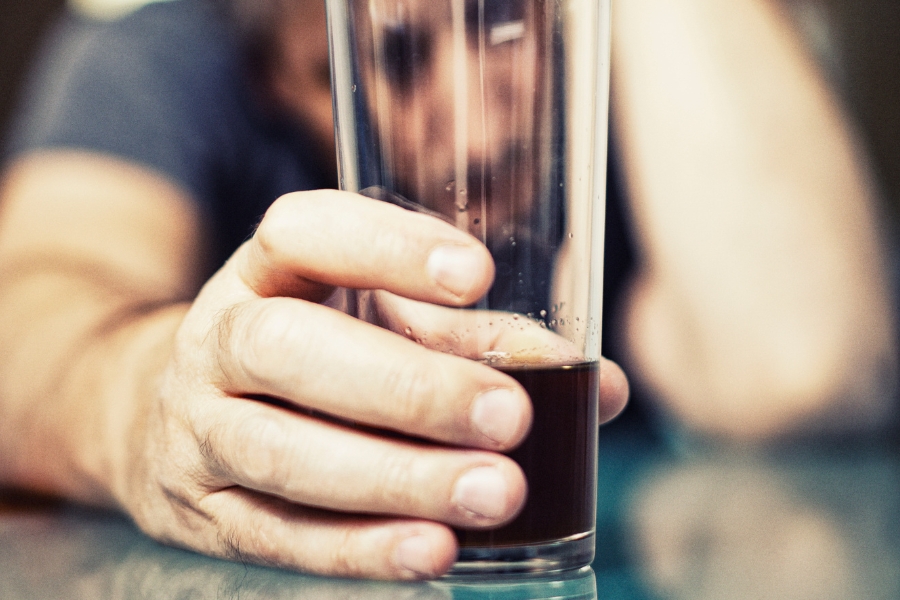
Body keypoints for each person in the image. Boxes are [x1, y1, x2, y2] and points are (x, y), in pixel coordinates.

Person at [0, 0, 892, 581]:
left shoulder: (640, 73)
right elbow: (24, 317)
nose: (476, 123)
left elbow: (805, 364)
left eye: (504, 20)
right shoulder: (177, 45)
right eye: (397, 55)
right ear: (284, 76)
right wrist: (150, 407)